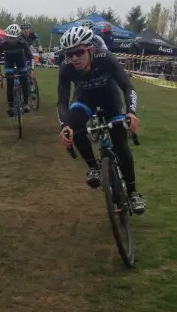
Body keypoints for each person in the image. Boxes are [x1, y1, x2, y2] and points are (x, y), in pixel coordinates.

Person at [57, 25, 146, 214]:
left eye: (79, 52)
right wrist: (65, 126)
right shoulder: (66, 68)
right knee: (76, 124)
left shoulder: (106, 59)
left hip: (110, 99)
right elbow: (62, 101)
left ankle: (132, 193)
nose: (74, 58)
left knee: (121, 145)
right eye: (69, 54)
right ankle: (93, 167)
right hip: (84, 99)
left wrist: (131, 112)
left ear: (90, 49)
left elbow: (128, 87)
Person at [0, 24, 34, 115]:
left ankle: (25, 103)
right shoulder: (3, 43)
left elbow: (31, 57)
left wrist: (31, 70)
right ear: (6, 36)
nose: (11, 40)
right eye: (9, 38)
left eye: (14, 38)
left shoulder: (22, 42)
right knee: (10, 83)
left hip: (21, 60)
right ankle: (11, 106)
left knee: (24, 81)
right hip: (9, 61)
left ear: (18, 37)